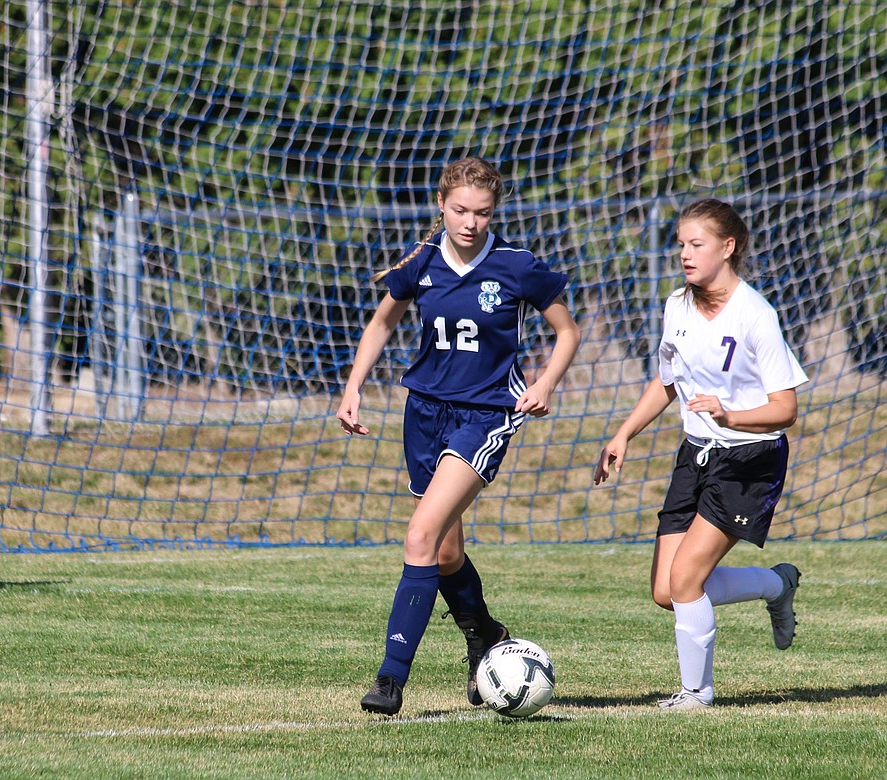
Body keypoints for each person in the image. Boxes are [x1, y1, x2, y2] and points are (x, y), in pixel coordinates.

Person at [337, 157, 581, 715]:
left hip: (486, 414)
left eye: (483, 212)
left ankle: (390, 680)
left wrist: (545, 383)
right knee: (445, 551)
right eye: (461, 210)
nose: (470, 222)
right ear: (441, 204)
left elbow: (567, 332)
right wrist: (352, 388)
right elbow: (381, 323)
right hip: (424, 413)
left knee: (420, 534)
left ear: (495, 212)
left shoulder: (517, 266)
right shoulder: (421, 262)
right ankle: (485, 634)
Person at [593, 198, 807, 711]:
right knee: (668, 591)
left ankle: (696, 694)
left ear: (727, 247)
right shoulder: (677, 307)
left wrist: (731, 415)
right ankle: (777, 585)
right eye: (681, 244)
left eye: (697, 244)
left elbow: (786, 408)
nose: (685, 254)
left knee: (687, 579)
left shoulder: (756, 315)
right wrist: (624, 434)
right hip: (697, 455)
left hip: (749, 461)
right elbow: (667, 382)